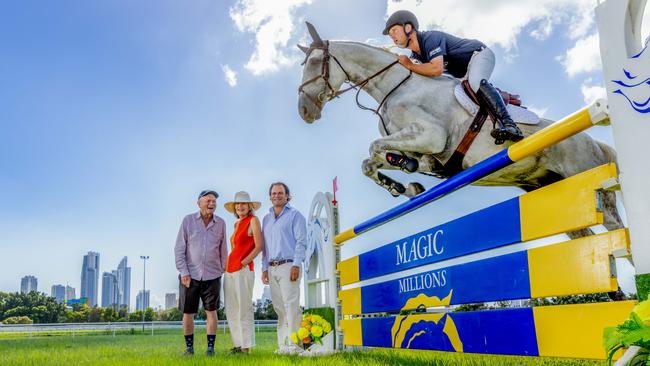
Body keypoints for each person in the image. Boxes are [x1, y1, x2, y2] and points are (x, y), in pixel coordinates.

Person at [383, 10, 524, 144]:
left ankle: (509, 124)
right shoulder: (416, 57)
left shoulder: (430, 38)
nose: (392, 37)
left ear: (408, 27)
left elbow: (436, 69)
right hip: (462, 75)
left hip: (478, 55)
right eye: (390, 35)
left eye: (394, 31)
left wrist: (410, 65)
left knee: (475, 82)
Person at [174, 190, 227, 356]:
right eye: (208, 201)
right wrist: (183, 272)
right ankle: (189, 349)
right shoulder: (188, 221)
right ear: (199, 203)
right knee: (188, 313)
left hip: (213, 275)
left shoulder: (221, 223)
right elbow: (179, 248)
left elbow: (223, 249)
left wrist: (223, 269)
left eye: (214, 201)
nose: (211, 204)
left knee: (212, 312)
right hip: (189, 275)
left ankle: (210, 349)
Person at [261, 182, 307, 353]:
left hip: (289, 265)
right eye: (274, 193)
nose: (277, 195)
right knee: (280, 309)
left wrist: (296, 264)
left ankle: (296, 346)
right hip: (272, 267)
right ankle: (283, 346)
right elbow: (265, 247)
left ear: (287, 196)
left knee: (291, 307)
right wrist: (264, 268)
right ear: (270, 196)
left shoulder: (295, 215)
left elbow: (301, 242)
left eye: (280, 193)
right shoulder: (266, 219)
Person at [223, 191, 264, 354]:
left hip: (243, 269)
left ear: (249, 207)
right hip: (229, 270)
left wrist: (244, 262)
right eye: (237, 204)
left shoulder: (253, 220)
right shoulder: (236, 224)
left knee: (244, 308)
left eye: (243, 204)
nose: (240, 206)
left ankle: (247, 347)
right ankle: (238, 344)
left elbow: (259, 246)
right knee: (231, 309)